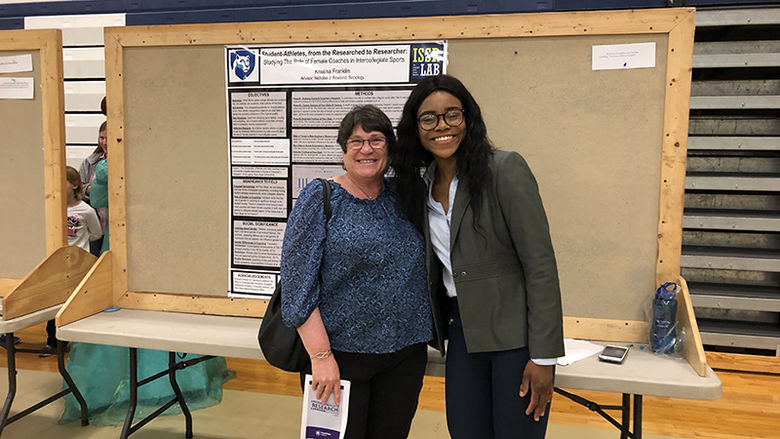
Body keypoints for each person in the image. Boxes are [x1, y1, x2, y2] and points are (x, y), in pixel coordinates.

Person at [390, 74, 565, 439]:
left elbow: (541, 266)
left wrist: (544, 357)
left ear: (468, 119)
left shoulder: (504, 169)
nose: (442, 126)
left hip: (516, 343)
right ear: (416, 128)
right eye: (429, 118)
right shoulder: (420, 186)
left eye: (452, 114)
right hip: (463, 339)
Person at [281, 105, 433, 439]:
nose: (366, 149)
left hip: (404, 356)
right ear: (343, 150)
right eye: (356, 141)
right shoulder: (320, 198)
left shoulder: (406, 195)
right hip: (340, 357)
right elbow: (296, 288)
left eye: (376, 139)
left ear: (389, 148)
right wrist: (321, 357)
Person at [39, 167, 104, 357]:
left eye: (63, 181)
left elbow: (96, 233)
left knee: (74, 302)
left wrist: (79, 245)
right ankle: (53, 341)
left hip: (78, 265)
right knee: (54, 302)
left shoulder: (86, 210)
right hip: (56, 263)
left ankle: (80, 341)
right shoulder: (53, 207)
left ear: (75, 184)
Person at [78, 121, 107, 255]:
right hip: (95, 222)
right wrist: (93, 190)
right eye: (102, 138)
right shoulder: (90, 162)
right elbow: (79, 187)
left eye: (108, 138)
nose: (105, 142)